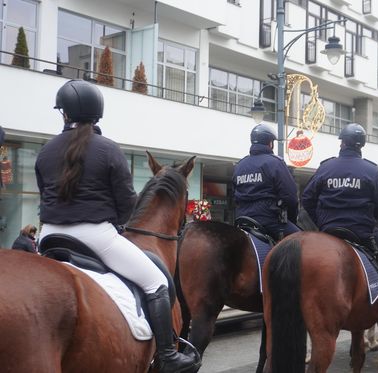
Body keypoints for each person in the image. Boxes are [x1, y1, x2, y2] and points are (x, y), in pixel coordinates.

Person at [35, 79, 198, 373]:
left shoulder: (45, 152)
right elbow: (126, 207)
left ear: (64, 113)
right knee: (156, 283)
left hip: (48, 237)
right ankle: (168, 357)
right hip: (96, 237)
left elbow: (43, 196)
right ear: (98, 114)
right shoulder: (108, 149)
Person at [301, 122, 378, 323]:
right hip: (361, 232)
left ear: (342, 143)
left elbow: (307, 199)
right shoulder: (371, 170)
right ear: (361, 145)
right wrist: (370, 220)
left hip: (329, 231)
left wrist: (321, 223)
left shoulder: (326, 167)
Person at [232, 123, 299, 241]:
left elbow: (235, 195)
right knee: (302, 239)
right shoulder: (275, 163)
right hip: (268, 220)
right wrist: (291, 220)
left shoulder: (240, 165)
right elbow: (290, 197)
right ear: (270, 143)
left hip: (242, 220)